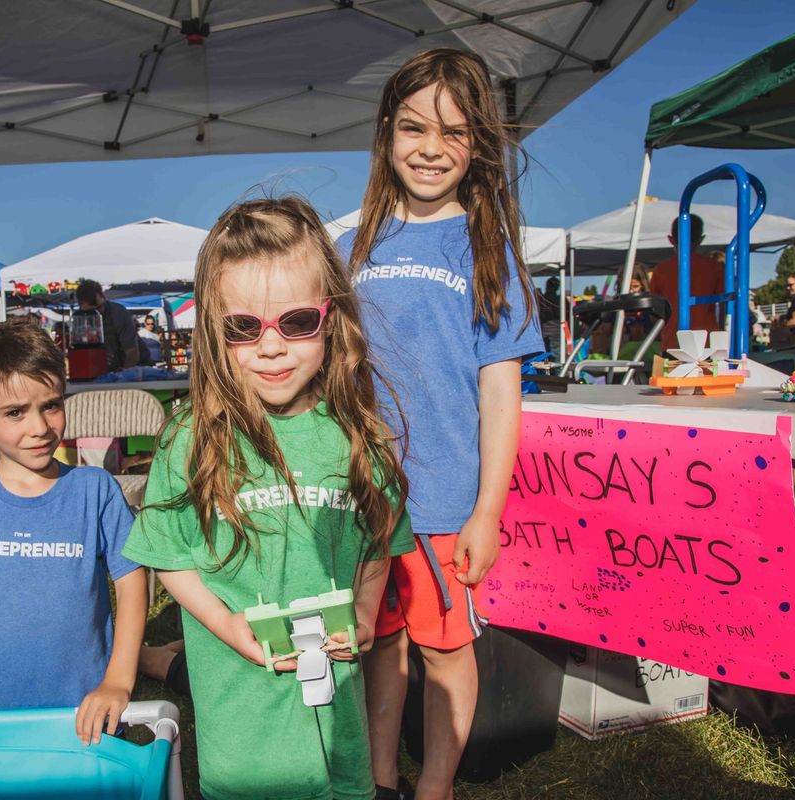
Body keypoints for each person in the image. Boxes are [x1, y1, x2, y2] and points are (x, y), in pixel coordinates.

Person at [123, 197, 414, 800]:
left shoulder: (358, 436)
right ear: (214, 329)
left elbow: (379, 541)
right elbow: (168, 554)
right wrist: (224, 624)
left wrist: (363, 610)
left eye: (298, 321)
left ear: (331, 318)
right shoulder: (191, 437)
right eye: (244, 327)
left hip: (339, 724)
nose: (271, 346)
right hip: (242, 721)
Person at [339, 49, 544, 800]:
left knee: (443, 649)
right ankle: (382, 778)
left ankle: (437, 785)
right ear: (387, 133)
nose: (430, 148)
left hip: (442, 506)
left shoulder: (490, 254)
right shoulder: (348, 248)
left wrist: (486, 511)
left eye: (453, 134)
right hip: (359, 501)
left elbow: (500, 396)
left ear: (478, 146)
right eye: (414, 128)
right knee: (379, 645)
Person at [0, 320, 147, 759]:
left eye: (51, 406)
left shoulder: (95, 490)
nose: (39, 427)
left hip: (86, 719)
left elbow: (132, 582)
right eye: (15, 412)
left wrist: (118, 679)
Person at [649, 215, 725, 352]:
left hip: (673, 342)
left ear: (671, 240)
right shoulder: (714, 267)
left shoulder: (661, 270)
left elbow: (653, 310)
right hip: (707, 343)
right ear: (701, 240)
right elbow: (724, 306)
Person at [75, 280, 139, 371]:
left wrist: (123, 376)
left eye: (98, 308)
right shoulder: (79, 319)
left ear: (103, 297)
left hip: (130, 367)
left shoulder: (118, 313)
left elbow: (131, 351)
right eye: (89, 312)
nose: (96, 314)